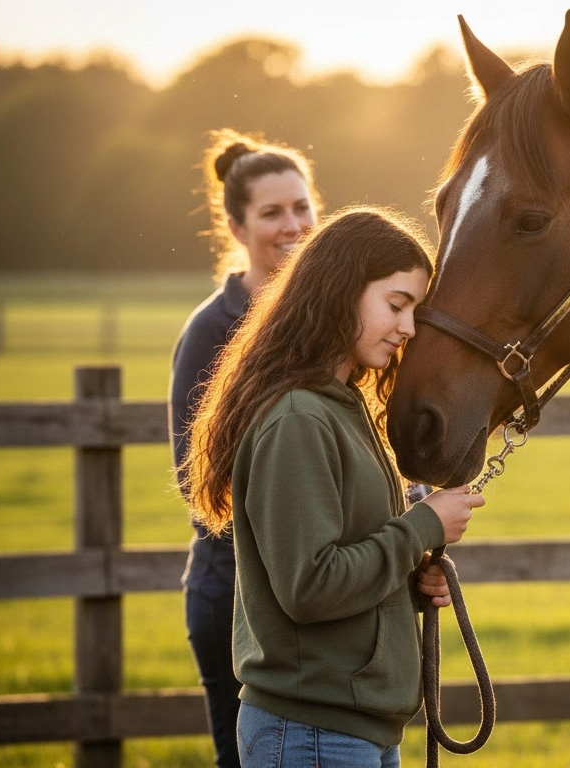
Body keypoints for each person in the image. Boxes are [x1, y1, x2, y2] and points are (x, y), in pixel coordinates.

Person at [179, 205, 485, 768]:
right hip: (312, 733)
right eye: (396, 305)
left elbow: (343, 561)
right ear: (342, 291)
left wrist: (409, 585)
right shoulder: (299, 419)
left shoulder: (342, 408)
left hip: (349, 728)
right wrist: (422, 527)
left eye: (414, 312)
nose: (408, 328)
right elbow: (311, 587)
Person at [168, 128, 320, 768]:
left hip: (316, 592)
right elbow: (197, 482)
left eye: (302, 207)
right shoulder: (211, 329)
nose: (293, 225)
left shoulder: (330, 320)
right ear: (236, 227)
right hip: (234, 595)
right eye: (272, 212)